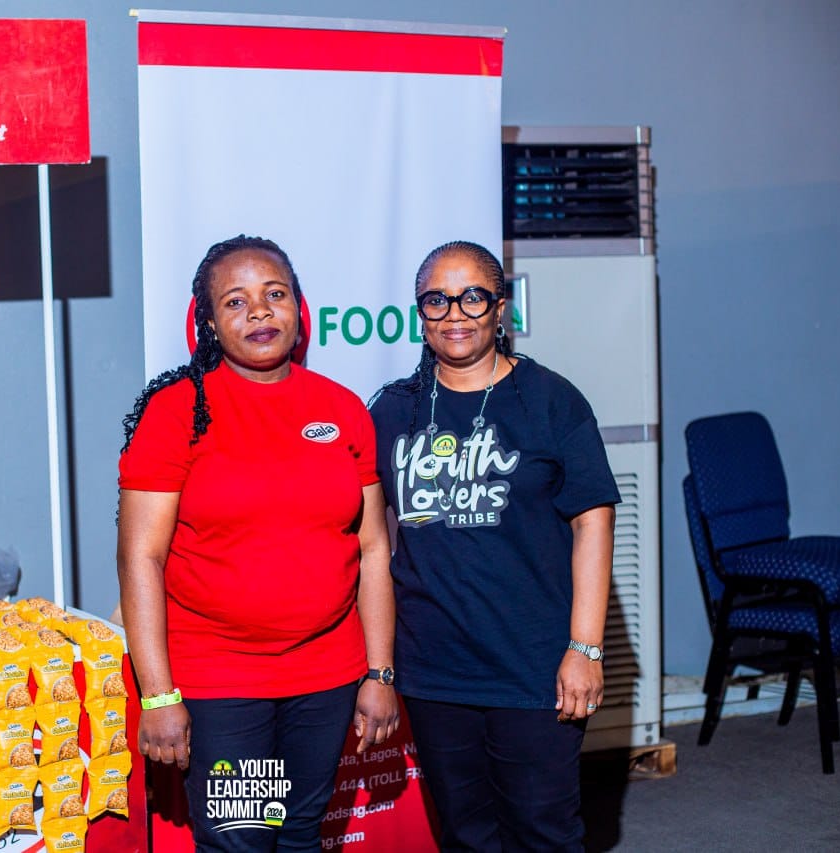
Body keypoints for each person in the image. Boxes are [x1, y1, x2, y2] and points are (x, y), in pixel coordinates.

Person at [117, 235, 399, 851]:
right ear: (209, 323)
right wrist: (158, 694)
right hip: (222, 680)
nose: (260, 312)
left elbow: (374, 548)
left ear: (298, 307)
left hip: (326, 676)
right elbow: (141, 557)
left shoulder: (342, 409)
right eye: (236, 301)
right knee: (243, 840)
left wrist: (380, 671)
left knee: (299, 835)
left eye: (275, 294)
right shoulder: (176, 412)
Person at [368, 240, 618, 851]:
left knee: (543, 833)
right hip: (434, 669)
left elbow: (593, 522)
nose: (455, 313)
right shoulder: (394, 411)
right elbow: (373, 538)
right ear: (420, 313)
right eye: (437, 300)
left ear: (500, 307)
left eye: (472, 297)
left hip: (534, 665)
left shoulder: (550, 400)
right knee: (465, 834)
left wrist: (585, 647)